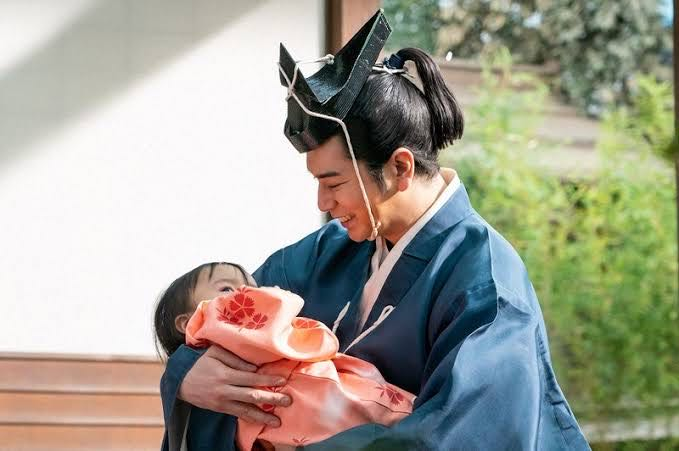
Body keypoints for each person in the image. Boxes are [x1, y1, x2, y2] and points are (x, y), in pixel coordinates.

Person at [160, 11, 590, 450]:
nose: (323, 204)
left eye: (334, 184)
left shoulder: (486, 285)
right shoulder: (324, 255)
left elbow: (457, 436)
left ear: (399, 167)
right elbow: (227, 316)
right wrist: (185, 373)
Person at [154, 262, 414, 450]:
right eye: (226, 289)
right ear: (187, 322)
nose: (245, 295)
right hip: (328, 411)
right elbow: (303, 329)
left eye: (252, 287)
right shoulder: (228, 332)